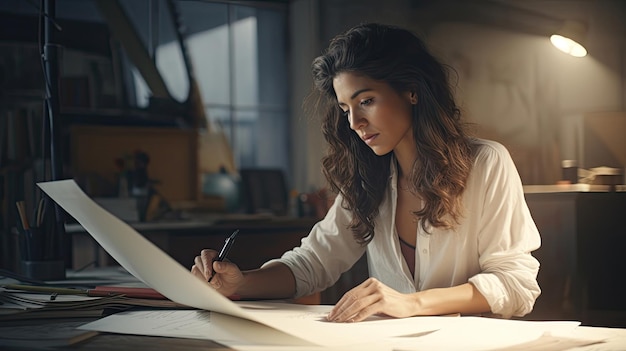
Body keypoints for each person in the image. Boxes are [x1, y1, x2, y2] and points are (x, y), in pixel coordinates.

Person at [191, 22, 541, 323]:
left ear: (412, 90)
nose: (355, 123)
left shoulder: (486, 163)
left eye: (366, 101)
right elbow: (312, 262)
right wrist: (241, 283)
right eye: (345, 108)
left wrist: (412, 303)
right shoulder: (367, 179)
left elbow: (516, 284)